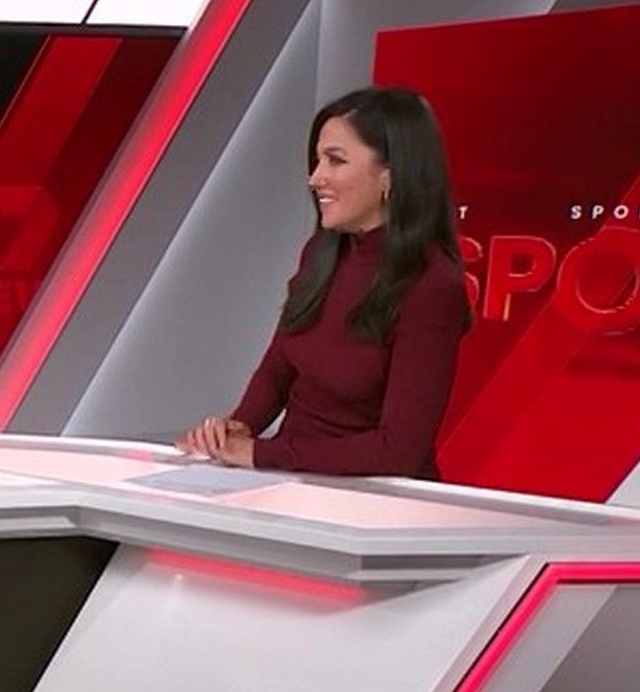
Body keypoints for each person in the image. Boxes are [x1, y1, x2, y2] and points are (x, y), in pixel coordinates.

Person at [177, 86, 470, 477]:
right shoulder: (322, 252)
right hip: (293, 480)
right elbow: (279, 369)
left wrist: (260, 454)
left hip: (374, 499)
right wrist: (236, 430)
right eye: (317, 161)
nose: (316, 179)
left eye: (335, 161)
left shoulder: (431, 285)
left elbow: (398, 451)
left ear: (390, 174)